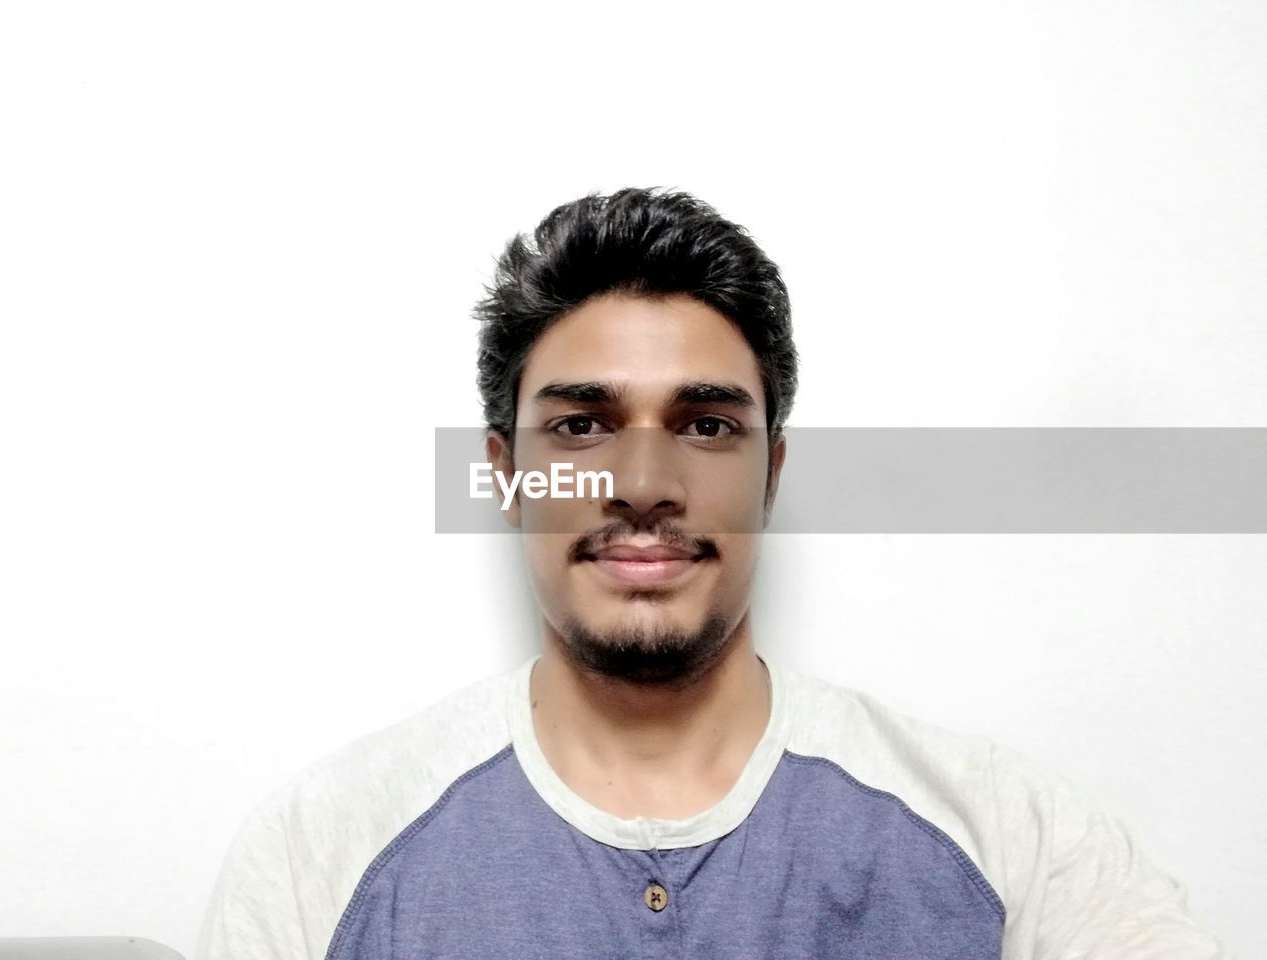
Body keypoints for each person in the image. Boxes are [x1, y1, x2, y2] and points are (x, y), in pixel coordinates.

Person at [194, 188, 1226, 959]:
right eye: (581, 425)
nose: (643, 481)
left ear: (770, 469)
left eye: (705, 424)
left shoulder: (1011, 843)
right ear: (504, 473)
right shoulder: (320, 858)